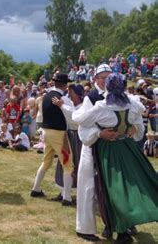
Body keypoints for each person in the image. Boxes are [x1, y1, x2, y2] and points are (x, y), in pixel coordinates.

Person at [76, 73, 158, 243]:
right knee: (133, 185)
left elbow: (80, 120)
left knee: (115, 189)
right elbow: (139, 121)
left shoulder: (101, 106)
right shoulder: (133, 104)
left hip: (110, 150)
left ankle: (122, 230)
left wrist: (98, 132)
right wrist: (134, 127)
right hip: (128, 149)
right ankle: (125, 226)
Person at [72, 64, 114, 241]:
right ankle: (85, 227)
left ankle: (117, 225)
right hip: (92, 146)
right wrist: (99, 133)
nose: (106, 81)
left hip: (113, 148)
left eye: (109, 77)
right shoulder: (92, 98)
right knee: (88, 187)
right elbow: (83, 123)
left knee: (114, 188)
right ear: (96, 79)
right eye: (102, 77)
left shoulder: (118, 95)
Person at [30, 73, 74, 206]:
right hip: (58, 133)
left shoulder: (45, 96)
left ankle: (36, 188)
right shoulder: (64, 99)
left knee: (46, 161)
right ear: (65, 85)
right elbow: (72, 117)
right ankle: (67, 197)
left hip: (46, 131)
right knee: (68, 165)